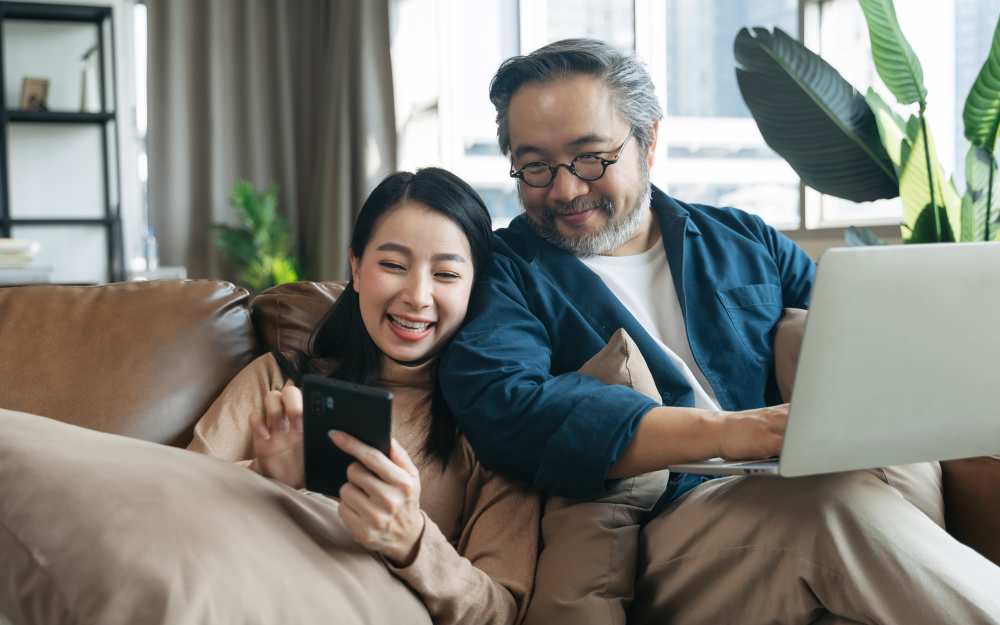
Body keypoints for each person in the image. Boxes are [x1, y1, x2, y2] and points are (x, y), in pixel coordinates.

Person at [438, 38, 1000, 625]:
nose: (565, 189)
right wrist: (731, 432)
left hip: (806, 501)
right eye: (534, 166)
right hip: (668, 530)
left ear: (648, 140)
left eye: (589, 158)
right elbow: (509, 405)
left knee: (872, 469)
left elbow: (859, 345)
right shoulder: (503, 274)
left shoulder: (744, 240)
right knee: (831, 509)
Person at [189, 168, 540, 625]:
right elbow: (175, 505)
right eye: (393, 265)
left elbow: (500, 613)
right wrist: (266, 477)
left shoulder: (499, 422)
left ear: (474, 288)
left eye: (446, 274)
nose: (417, 296)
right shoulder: (278, 382)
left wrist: (412, 540)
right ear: (355, 267)